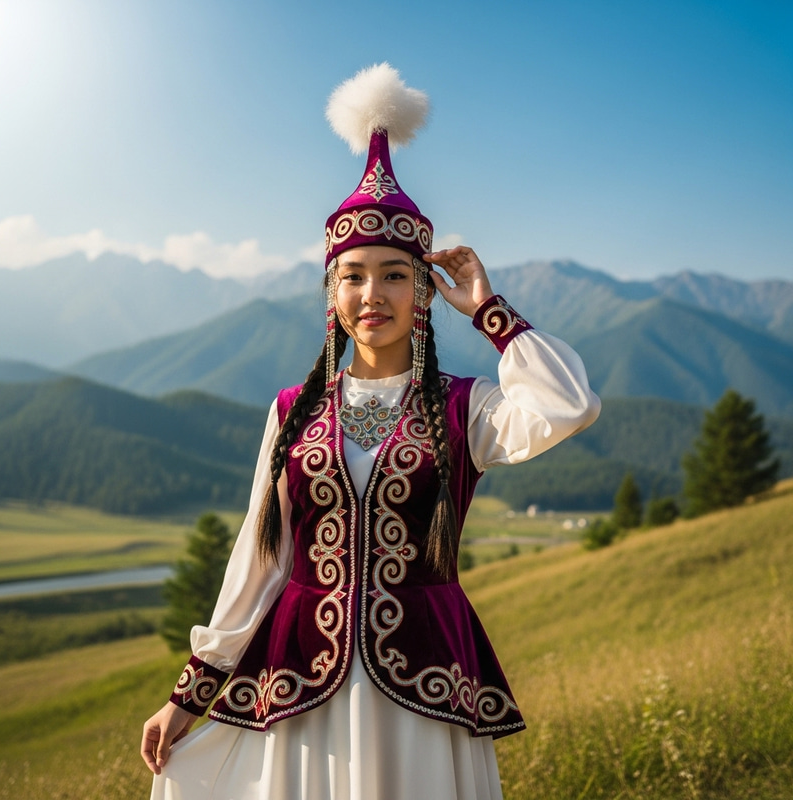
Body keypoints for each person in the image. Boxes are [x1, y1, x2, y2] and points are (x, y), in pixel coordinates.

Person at [141, 63, 600, 800]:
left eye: (394, 274)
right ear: (332, 293)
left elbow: (569, 404)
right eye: (353, 275)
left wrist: (490, 312)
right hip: (299, 678)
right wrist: (189, 693)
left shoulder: (465, 407)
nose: (372, 293)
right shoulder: (293, 410)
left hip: (425, 681)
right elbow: (261, 559)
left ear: (423, 292)